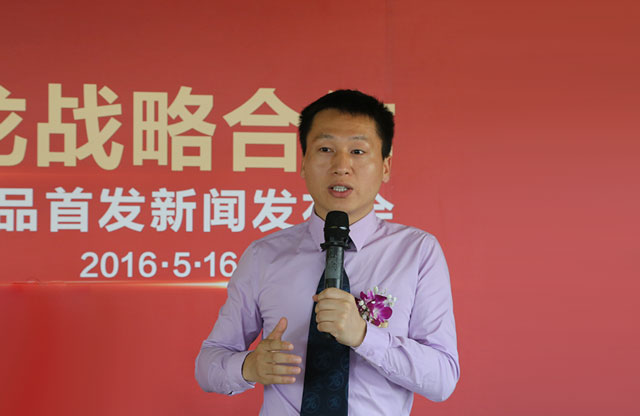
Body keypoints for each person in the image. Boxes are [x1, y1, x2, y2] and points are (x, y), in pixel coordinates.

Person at [195, 90, 460, 415]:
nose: (341, 166)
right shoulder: (264, 255)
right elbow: (208, 363)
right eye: (325, 149)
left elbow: (442, 378)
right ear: (304, 163)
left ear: (385, 166)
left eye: (358, 151)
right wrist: (248, 366)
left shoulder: (416, 252)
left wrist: (364, 336)